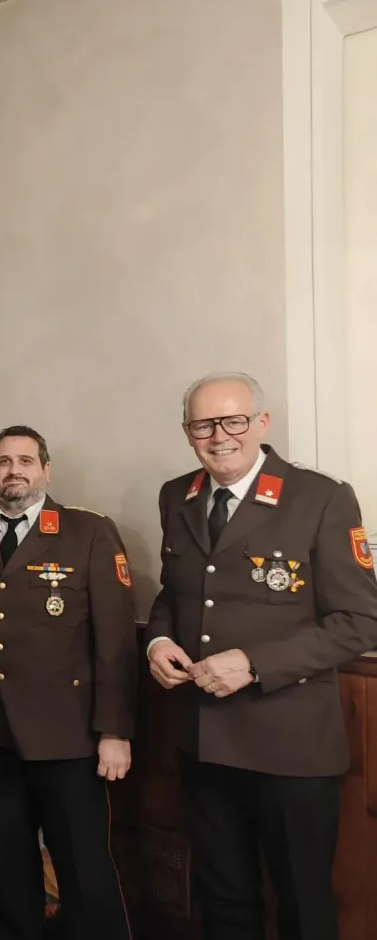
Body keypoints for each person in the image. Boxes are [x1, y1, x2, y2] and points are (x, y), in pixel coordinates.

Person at [146, 372, 377, 940]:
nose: (219, 435)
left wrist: (253, 663)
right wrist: (157, 640)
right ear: (187, 431)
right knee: (225, 903)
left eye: (234, 421)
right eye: (203, 424)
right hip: (203, 740)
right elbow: (174, 594)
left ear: (262, 424)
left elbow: (361, 620)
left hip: (289, 748)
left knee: (303, 907)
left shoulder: (320, 496)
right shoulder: (178, 494)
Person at [0, 425, 134, 940]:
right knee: (8, 865)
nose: (14, 471)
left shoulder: (88, 532)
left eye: (25, 461)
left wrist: (115, 731)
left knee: (85, 870)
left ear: (45, 471)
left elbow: (115, 641)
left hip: (69, 736)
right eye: (3, 461)